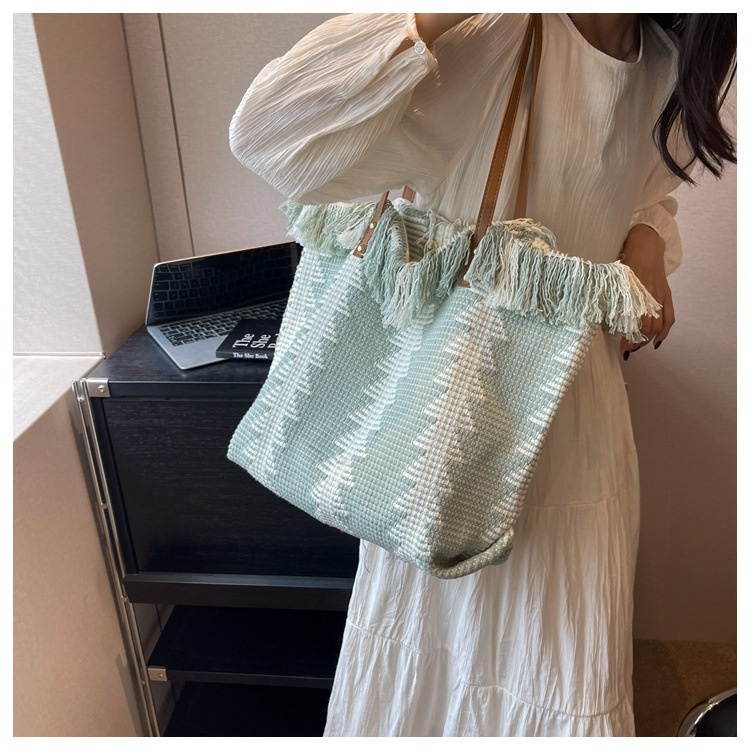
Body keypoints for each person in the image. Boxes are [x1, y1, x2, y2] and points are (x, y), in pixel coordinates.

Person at [229, 13, 736, 737]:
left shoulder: (666, 60)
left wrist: (647, 236)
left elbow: (637, 188)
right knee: (436, 660)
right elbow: (267, 133)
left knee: (558, 667)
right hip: (444, 417)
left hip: (577, 427)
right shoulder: (491, 30)